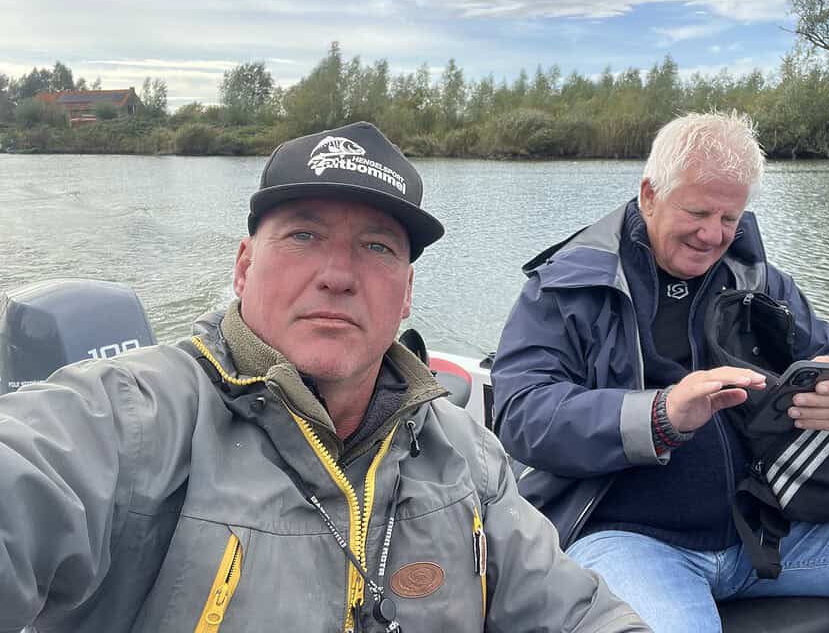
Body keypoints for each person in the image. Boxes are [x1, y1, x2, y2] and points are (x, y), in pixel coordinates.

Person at [0, 121, 650, 633]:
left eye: (376, 247)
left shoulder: (469, 456)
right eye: (304, 236)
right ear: (244, 267)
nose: (338, 274)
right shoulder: (135, 420)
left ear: (406, 294)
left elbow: (576, 612)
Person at [490, 110, 829, 633]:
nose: (713, 235)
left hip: (774, 528)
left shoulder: (756, 279)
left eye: (729, 218)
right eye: (698, 213)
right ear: (649, 194)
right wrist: (661, 414)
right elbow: (520, 414)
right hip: (629, 539)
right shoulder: (565, 287)